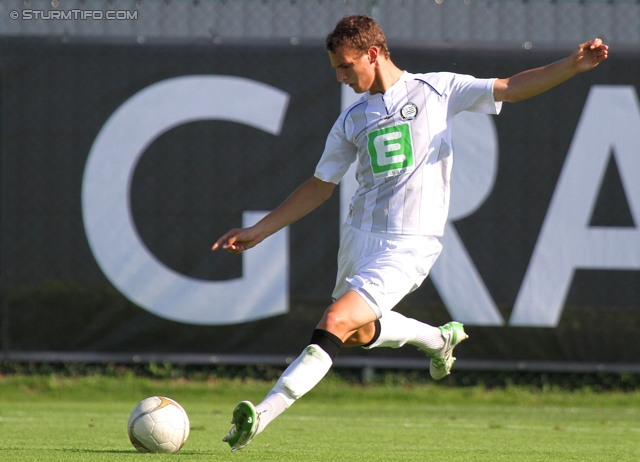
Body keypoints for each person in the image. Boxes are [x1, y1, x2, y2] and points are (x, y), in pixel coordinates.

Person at [212, 15, 608, 452]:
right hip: (359, 239)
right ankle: (439, 340)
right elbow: (320, 186)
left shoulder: (438, 89)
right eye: (336, 70)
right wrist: (260, 230)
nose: (342, 77)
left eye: (346, 66)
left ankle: (261, 416)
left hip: (410, 243)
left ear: (374, 54)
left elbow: (511, 87)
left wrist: (571, 66)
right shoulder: (352, 119)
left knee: (335, 321)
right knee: (358, 332)